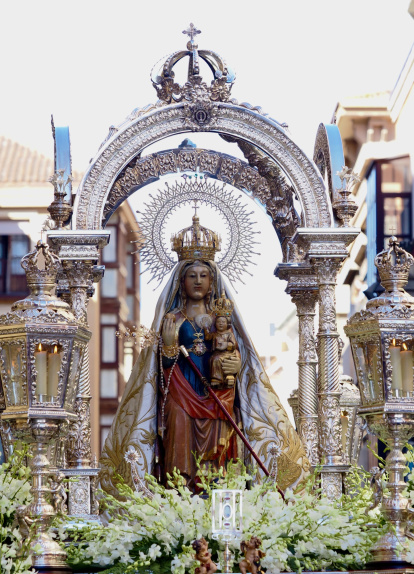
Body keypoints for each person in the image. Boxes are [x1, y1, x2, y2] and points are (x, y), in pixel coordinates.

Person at [100, 213, 309, 495]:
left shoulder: (223, 318)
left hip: (218, 396)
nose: (198, 281)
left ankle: (217, 494)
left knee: (219, 454)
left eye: (204, 275)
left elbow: (240, 355)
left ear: (212, 281)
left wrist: (235, 365)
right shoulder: (171, 318)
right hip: (181, 393)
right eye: (191, 276)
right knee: (177, 445)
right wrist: (171, 346)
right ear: (181, 281)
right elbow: (158, 369)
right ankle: (180, 493)